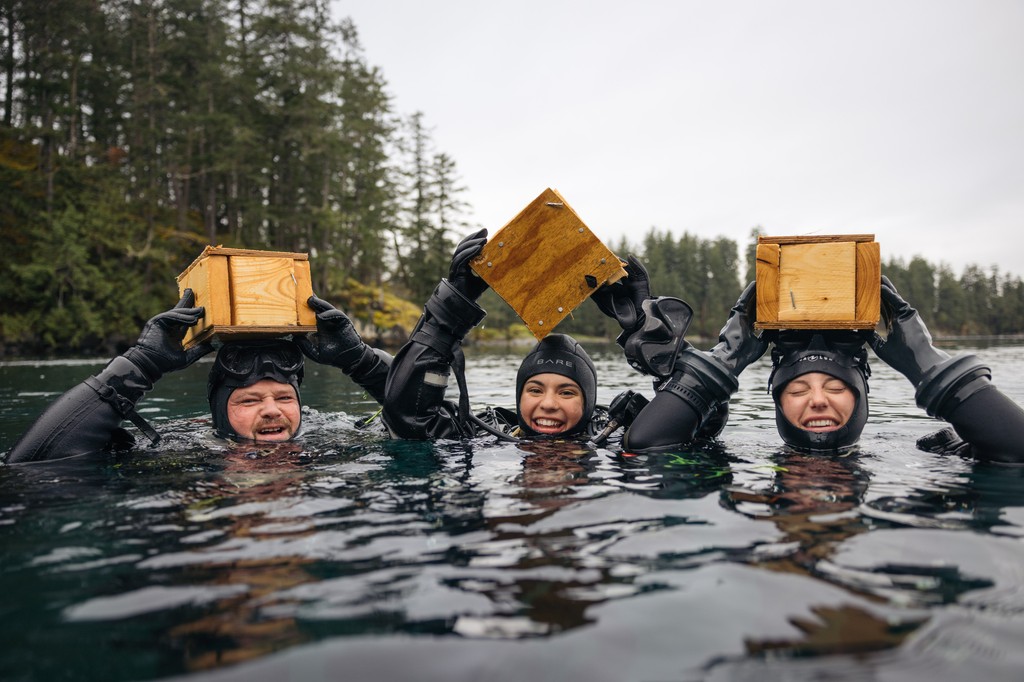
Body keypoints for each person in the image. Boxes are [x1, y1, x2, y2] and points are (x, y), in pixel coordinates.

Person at [596, 266, 1024, 463]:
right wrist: (722, 360)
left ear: (862, 397)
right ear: (777, 402)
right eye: (798, 390)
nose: (817, 401)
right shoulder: (724, 466)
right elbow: (646, 449)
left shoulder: (936, 453)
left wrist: (927, 364)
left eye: (836, 388)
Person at [6, 290, 391, 464]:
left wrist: (363, 362)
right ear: (219, 412)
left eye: (285, 397)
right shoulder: (177, 454)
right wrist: (140, 365)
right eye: (249, 400)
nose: (273, 410)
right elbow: (31, 468)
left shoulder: (337, 441)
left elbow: (439, 425)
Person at [382, 228, 613, 441]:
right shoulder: (486, 441)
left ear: (588, 404)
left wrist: (646, 329)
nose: (549, 404)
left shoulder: (615, 442)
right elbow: (409, 421)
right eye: (535, 390)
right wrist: (450, 312)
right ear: (519, 397)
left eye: (566, 392)